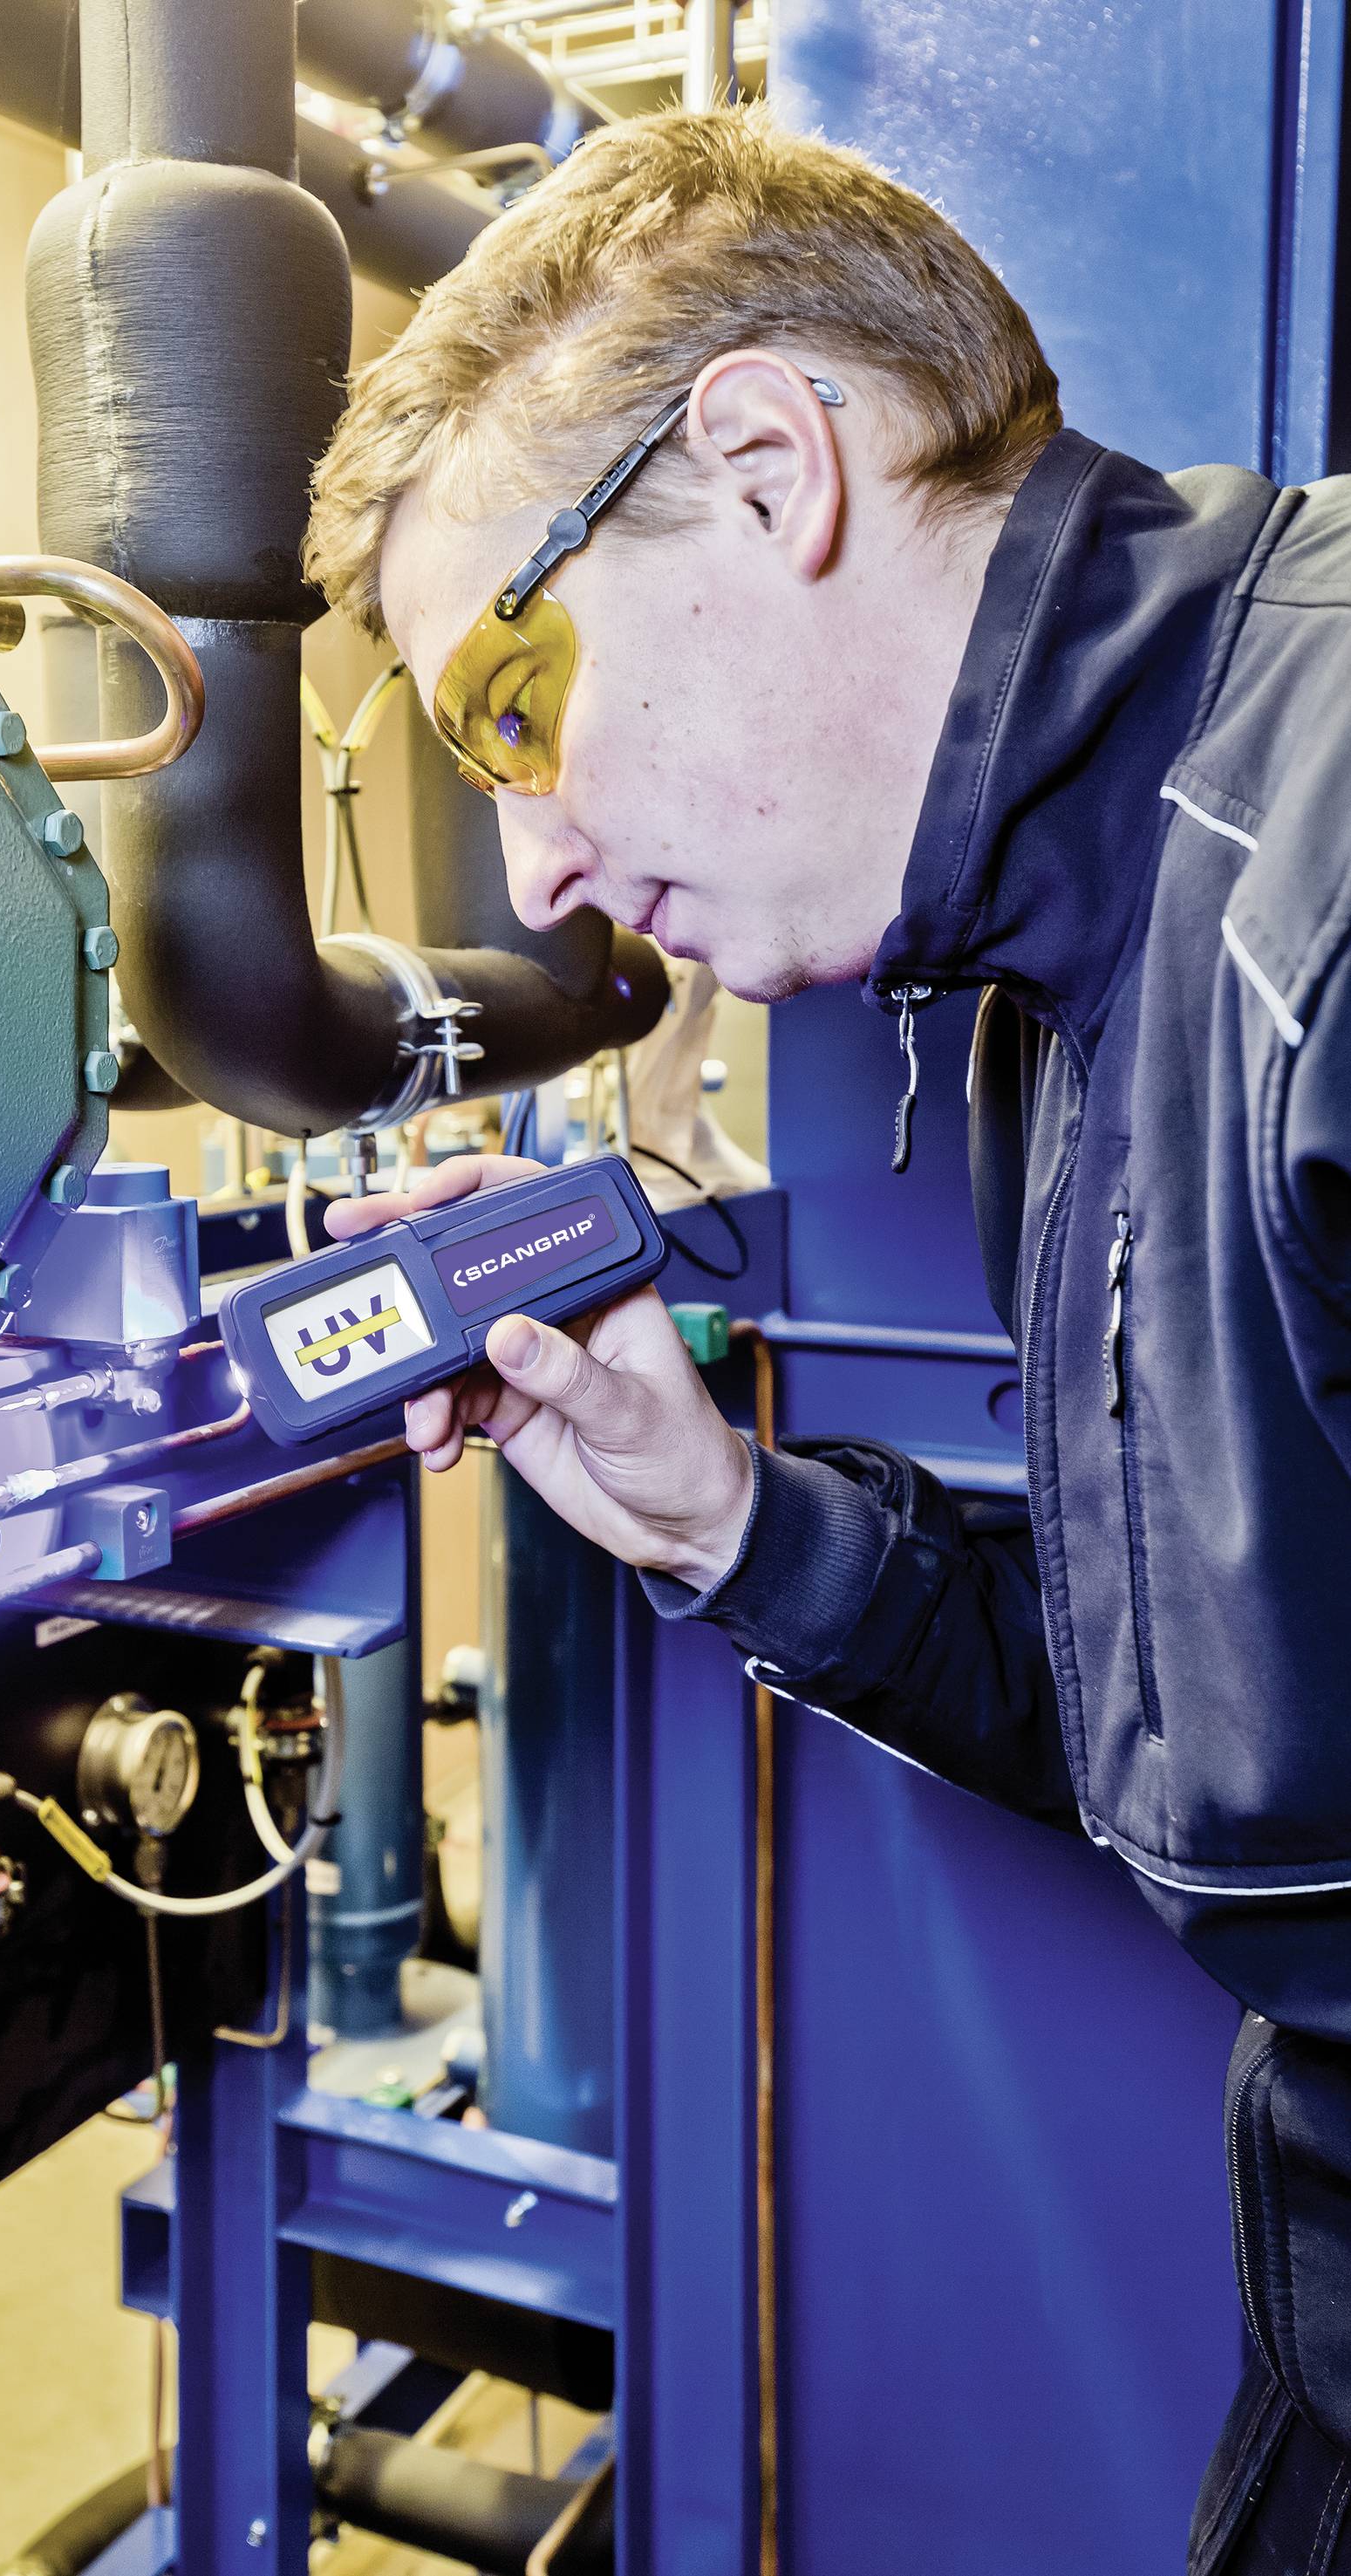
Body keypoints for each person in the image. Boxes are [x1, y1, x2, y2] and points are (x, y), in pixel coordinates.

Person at [304, 103, 1351, 2574]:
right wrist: (718, 1515)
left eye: (509, 711)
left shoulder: (1315, 878)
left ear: (773, 466)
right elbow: (1221, 1763)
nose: (536, 862)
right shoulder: (1048, 974)